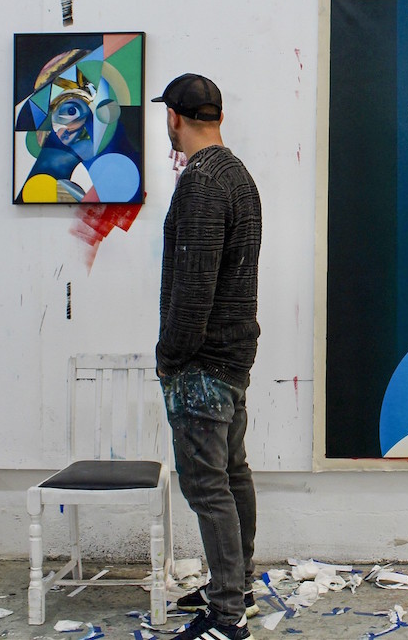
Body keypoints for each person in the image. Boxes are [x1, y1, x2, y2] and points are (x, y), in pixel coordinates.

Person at [152, 73, 262, 640]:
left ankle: (226, 615)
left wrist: (169, 356)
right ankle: (238, 588)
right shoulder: (238, 175)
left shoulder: (199, 183)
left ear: (174, 116)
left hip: (202, 362)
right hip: (234, 354)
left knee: (206, 486)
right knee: (232, 474)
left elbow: (193, 291)